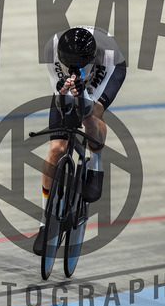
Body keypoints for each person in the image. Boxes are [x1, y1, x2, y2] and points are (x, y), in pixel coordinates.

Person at [33, 26, 127, 255]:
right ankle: (46, 221)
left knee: (92, 116)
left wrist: (83, 93)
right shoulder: (52, 48)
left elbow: (87, 107)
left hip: (111, 67)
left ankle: (96, 163)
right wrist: (65, 91)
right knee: (57, 148)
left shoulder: (106, 56)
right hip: (74, 70)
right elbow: (61, 100)